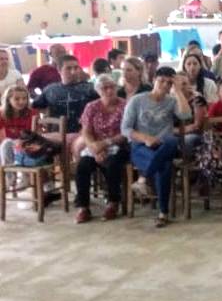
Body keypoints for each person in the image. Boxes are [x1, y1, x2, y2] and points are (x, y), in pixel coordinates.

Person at [122, 66, 193, 227]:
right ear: (154, 80)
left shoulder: (171, 101)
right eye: (161, 81)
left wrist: (178, 91)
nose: (164, 85)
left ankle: (143, 179)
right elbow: (125, 129)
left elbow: (186, 115)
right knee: (164, 165)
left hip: (164, 145)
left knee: (172, 141)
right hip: (141, 147)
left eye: (169, 83)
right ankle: (163, 212)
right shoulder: (137, 100)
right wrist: (145, 138)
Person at [74, 74, 129, 223]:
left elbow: (126, 132)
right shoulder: (91, 107)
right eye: (105, 88)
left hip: (119, 145)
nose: (109, 91)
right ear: (98, 90)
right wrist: (94, 147)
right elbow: (86, 131)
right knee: (82, 166)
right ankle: (83, 207)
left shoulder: (125, 105)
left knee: (112, 164)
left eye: (112, 87)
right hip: (95, 146)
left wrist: (105, 144)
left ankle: (113, 202)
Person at [32, 54, 98, 157]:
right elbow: (34, 107)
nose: (73, 72)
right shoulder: (51, 90)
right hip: (56, 133)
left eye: (76, 68)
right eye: (69, 68)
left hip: (82, 132)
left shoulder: (90, 89)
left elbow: (101, 109)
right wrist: (42, 122)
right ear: (59, 70)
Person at [0, 86, 34, 183]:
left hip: (27, 145)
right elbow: (2, 138)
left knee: (10, 145)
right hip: (7, 146)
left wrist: (20, 142)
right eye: (17, 99)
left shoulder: (32, 113)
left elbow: (35, 134)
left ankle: (17, 178)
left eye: (24, 98)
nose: (21, 102)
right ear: (8, 100)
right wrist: (15, 143)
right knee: (6, 144)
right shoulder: (1, 115)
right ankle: (11, 178)